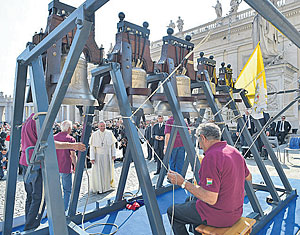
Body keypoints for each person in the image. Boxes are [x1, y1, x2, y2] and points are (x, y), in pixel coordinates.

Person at [167, 123, 252, 235]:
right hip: (236, 211)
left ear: (203, 137)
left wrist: (183, 183)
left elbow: (211, 199)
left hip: (220, 216)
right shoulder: (234, 151)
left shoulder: (212, 157)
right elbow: (249, 177)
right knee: (190, 200)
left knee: (172, 211)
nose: (200, 146)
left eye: (199, 141)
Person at [20, 113, 86, 231]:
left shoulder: (28, 120)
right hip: (36, 163)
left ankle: (28, 223)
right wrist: (73, 145)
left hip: (26, 161)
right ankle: (31, 227)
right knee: (39, 198)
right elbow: (49, 143)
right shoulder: (40, 119)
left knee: (30, 196)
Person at [54, 120, 77, 211]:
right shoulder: (70, 139)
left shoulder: (54, 137)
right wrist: (75, 165)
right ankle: (64, 209)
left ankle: (56, 207)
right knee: (67, 190)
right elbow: (73, 155)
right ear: (69, 128)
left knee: (56, 189)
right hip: (65, 166)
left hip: (55, 166)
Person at [89, 121, 117, 194]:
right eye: (101, 126)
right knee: (99, 172)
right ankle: (99, 188)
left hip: (108, 156)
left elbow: (113, 146)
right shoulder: (94, 134)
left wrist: (113, 154)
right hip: (98, 156)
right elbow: (92, 148)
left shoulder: (109, 133)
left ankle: (107, 187)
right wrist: (92, 158)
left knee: (107, 171)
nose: (102, 128)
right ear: (98, 126)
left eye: (104, 126)